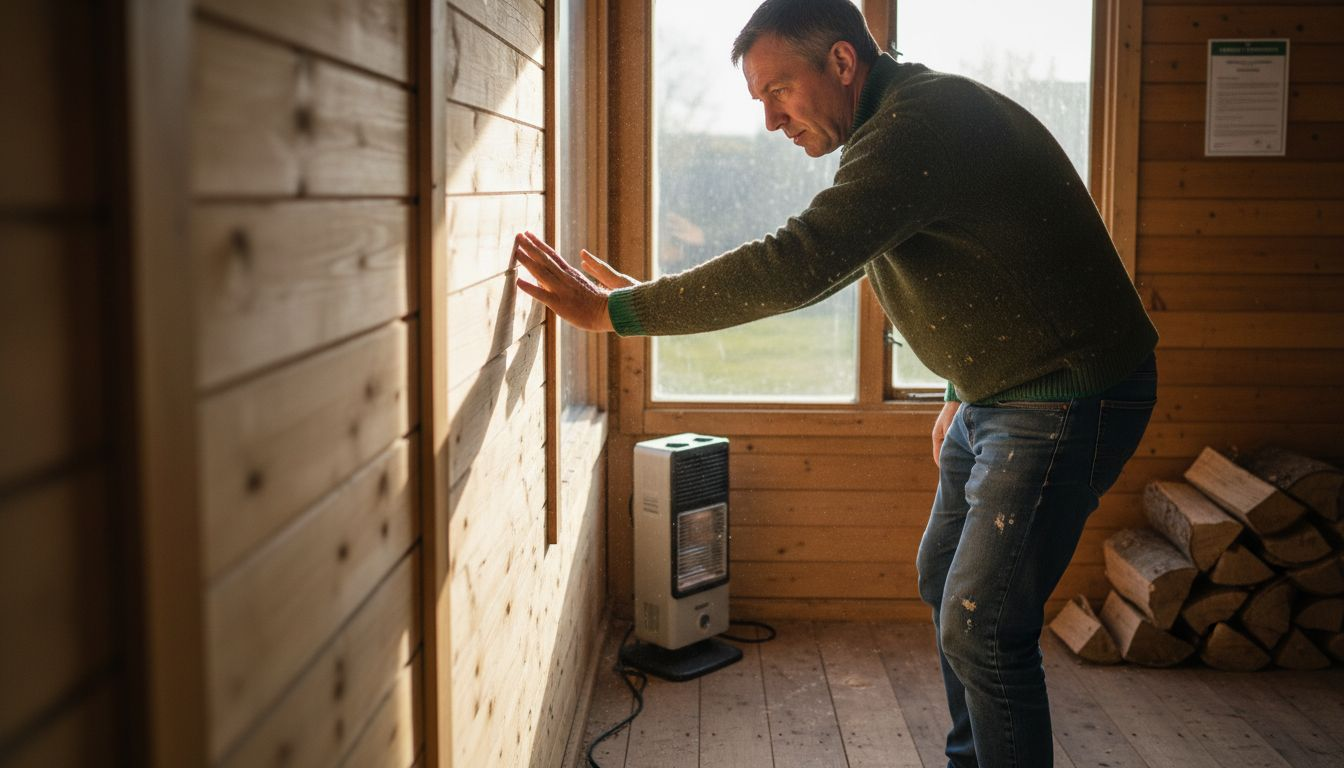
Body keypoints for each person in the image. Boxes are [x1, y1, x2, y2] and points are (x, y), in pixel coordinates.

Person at [514, 0, 1158, 765]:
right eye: (759, 102)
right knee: (944, 582)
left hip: (1063, 395)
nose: (771, 122)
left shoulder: (919, 122)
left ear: (843, 63)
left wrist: (619, 312)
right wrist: (960, 384)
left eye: (778, 91)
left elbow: (800, 262)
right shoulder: (896, 128)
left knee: (982, 621)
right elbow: (988, 257)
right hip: (999, 391)